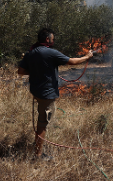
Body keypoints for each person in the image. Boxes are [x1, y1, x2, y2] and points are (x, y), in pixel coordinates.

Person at [17, 28, 93, 159]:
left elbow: (21, 71)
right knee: (43, 124)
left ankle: (38, 148)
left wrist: (39, 71)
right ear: (47, 39)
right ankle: (38, 155)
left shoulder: (31, 51)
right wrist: (87, 57)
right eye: (52, 38)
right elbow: (72, 61)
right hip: (46, 93)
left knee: (42, 120)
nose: (53, 40)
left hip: (36, 91)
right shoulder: (50, 52)